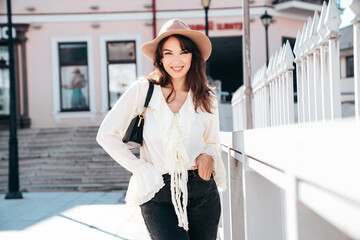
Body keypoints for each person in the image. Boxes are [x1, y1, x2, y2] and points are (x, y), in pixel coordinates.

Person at [96, 19, 227, 240]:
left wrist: (209, 154)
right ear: (160, 58)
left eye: (183, 52)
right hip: (157, 191)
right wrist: (140, 168)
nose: (176, 60)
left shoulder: (207, 97)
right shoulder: (143, 90)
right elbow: (106, 135)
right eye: (168, 53)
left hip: (201, 190)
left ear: (193, 56)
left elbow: (213, 141)